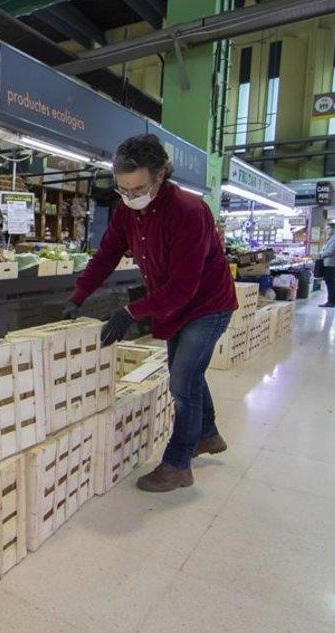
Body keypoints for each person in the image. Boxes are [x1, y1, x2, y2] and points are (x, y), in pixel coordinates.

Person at [62, 134, 237, 493]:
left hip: (206, 305)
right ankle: (207, 433)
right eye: (123, 189)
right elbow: (107, 255)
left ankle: (177, 464)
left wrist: (129, 312)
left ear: (161, 175)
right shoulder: (128, 210)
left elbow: (184, 287)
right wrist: (77, 296)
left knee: (182, 383)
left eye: (139, 188)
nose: (130, 197)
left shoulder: (189, 211)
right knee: (185, 372)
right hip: (173, 306)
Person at [318, 222, 335, 308]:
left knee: (330, 282)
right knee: (329, 282)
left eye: (328, 228)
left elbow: (331, 251)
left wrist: (320, 254)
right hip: (330, 262)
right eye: (326, 229)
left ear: (334, 229)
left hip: (332, 263)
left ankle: (331, 302)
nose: (326, 230)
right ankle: (331, 301)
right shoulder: (334, 237)